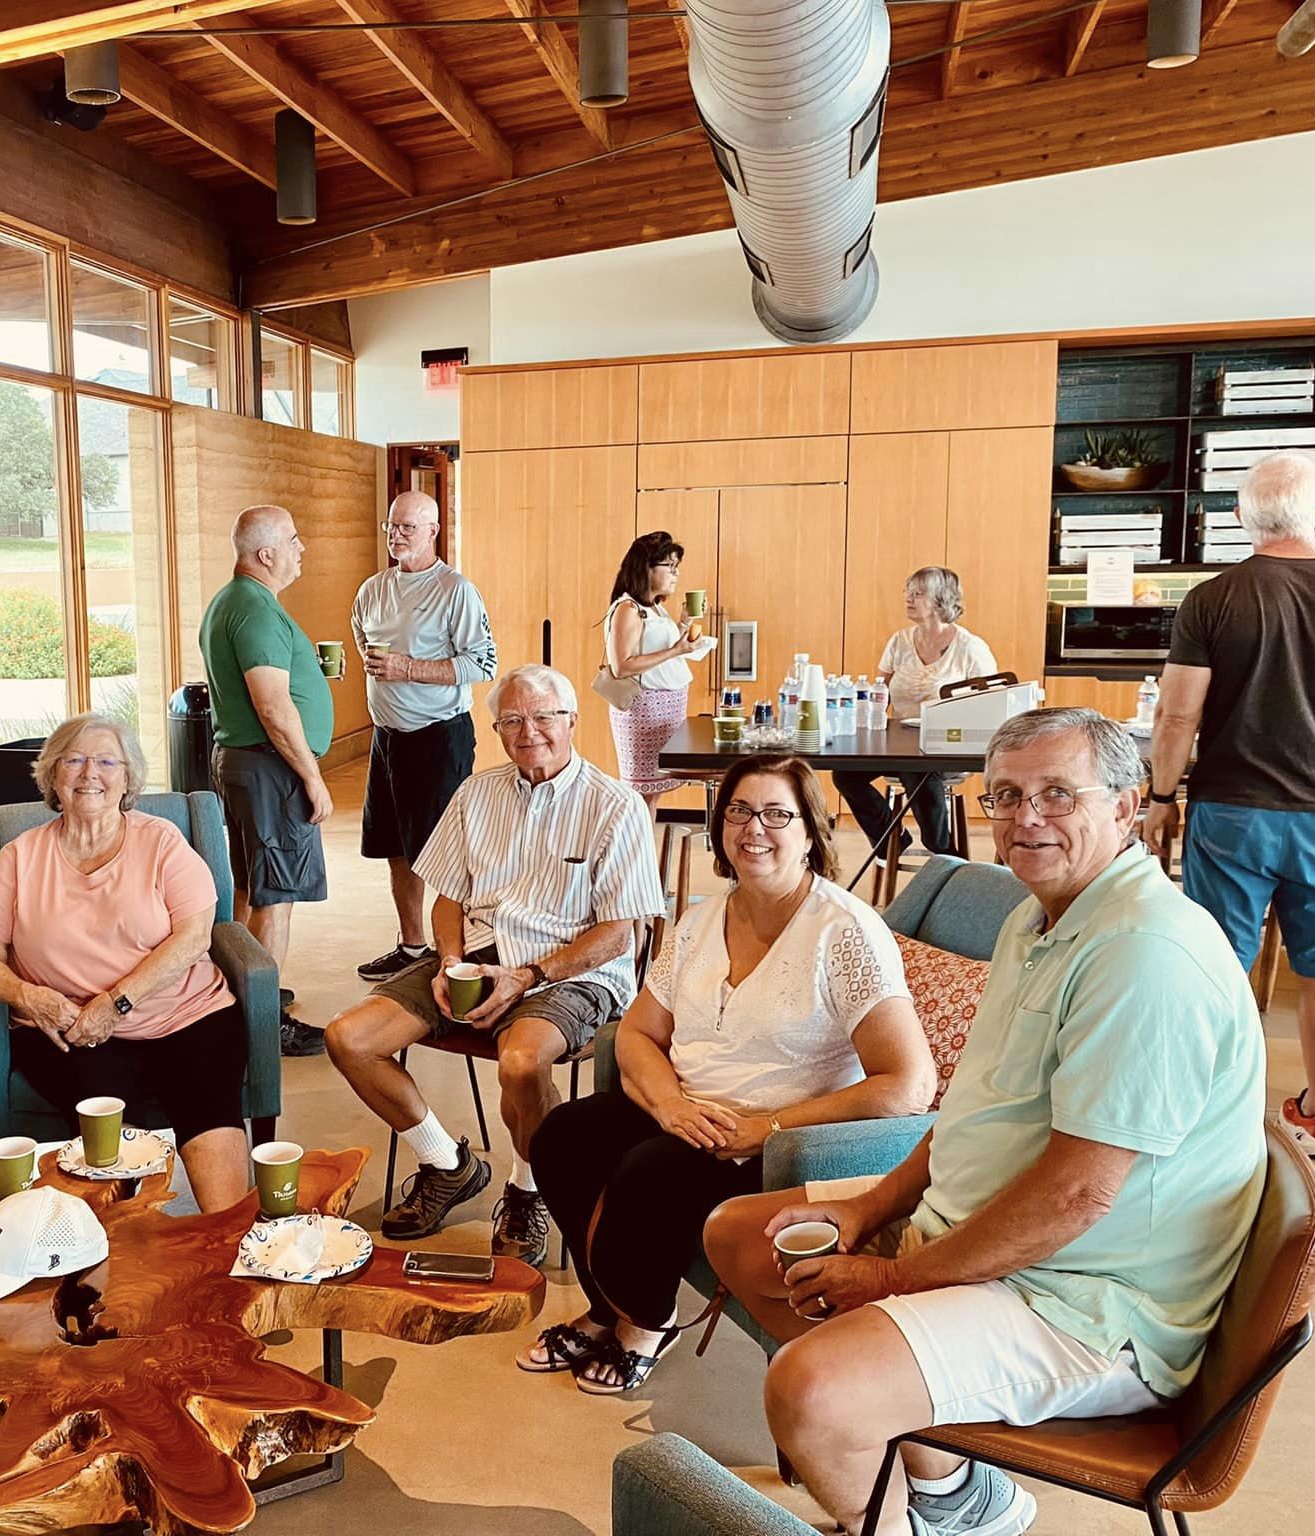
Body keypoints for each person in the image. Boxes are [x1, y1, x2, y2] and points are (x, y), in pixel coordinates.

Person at [705, 708, 1265, 1536]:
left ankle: (903, 1510)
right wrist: (868, 1208)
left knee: (810, 1392)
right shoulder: (1035, 918)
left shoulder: (1143, 952)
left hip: (1086, 1303)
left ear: (1125, 805)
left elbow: (1076, 1197)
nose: (1025, 818)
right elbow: (974, 1108)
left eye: (1056, 793)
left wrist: (891, 1280)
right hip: (984, 1236)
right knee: (739, 1238)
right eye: (1004, 795)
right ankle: (953, 1490)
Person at [522, 755, 933, 1394]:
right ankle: (606, 1309)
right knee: (562, 1135)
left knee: (649, 1173)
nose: (753, 829)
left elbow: (908, 1085)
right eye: (739, 811)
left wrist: (766, 1126)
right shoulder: (701, 920)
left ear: (810, 831)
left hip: (778, 1136)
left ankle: (645, 1322)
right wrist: (668, 1105)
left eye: (776, 814)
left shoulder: (846, 933)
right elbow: (637, 1033)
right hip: (687, 1107)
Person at [323, 665, 665, 1267]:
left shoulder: (616, 806)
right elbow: (448, 896)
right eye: (512, 720)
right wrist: (450, 959)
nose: (529, 732)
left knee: (522, 1062)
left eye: (543, 717)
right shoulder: (475, 794)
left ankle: (528, 1189)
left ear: (571, 720)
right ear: (497, 730)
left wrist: (529, 977)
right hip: (477, 956)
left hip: (569, 970)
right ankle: (446, 1164)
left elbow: (619, 933)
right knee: (348, 1038)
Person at [1145, 451, 1315, 1162]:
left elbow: (1176, 717)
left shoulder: (1213, 598)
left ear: (1242, 515)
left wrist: (1160, 798)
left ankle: (1215, 1113)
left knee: (1219, 963)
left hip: (1231, 813)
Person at [0, 714, 252, 1211]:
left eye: (106, 762)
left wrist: (115, 1004)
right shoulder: (19, 857)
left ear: (128, 777)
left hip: (187, 1016)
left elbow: (194, 937)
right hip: (70, 1031)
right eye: (73, 760)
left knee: (209, 1112)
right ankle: (127, 1244)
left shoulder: (161, 842)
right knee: (110, 1145)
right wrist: (29, 996)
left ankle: (229, 1241)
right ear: (52, 775)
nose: (89, 772)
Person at [199, 503, 334, 1056]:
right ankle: (262, 1022)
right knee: (275, 896)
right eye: (293, 540)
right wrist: (313, 776)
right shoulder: (254, 610)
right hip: (269, 768)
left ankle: (240, 994)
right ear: (266, 553)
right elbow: (274, 707)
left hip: (247, 763)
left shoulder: (234, 600)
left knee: (250, 888)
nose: (302, 549)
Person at [351, 490, 498, 982]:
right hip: (387, 739)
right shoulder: (372, 590)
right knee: (396, 847)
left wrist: (408, 668)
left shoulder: (455, 591)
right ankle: (413, 946)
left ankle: (460, 953)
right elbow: (362, 640)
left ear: (433, 531)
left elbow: (483, 663)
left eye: (407, 527)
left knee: (447, 855)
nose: (395, 535)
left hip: (438, 738)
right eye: (391, 526)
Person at [832, 567, 997, 862]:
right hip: (897, 743)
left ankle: (942, 851)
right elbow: (878, 690)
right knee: (845, 773)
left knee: (916, 767)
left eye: (918, 593)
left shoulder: (971, 648)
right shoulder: (900, 641)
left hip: (948, 744)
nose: (908, 598)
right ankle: (891, 838)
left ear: (941, 599)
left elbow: (988, 704)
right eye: (907, 592)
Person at [602, 531, 704, 816]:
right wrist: (676, 650)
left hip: (665, 710)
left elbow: (659, 649)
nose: (675, 574)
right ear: (646, 568)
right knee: (640, 794)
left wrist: (683, 624)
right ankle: (638, 845)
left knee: (653, 793)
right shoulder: (628, 609)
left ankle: (646, 844)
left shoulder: (656, 607)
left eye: (676, 567)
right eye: (669, 566)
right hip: (644, 709)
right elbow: (622, 665)